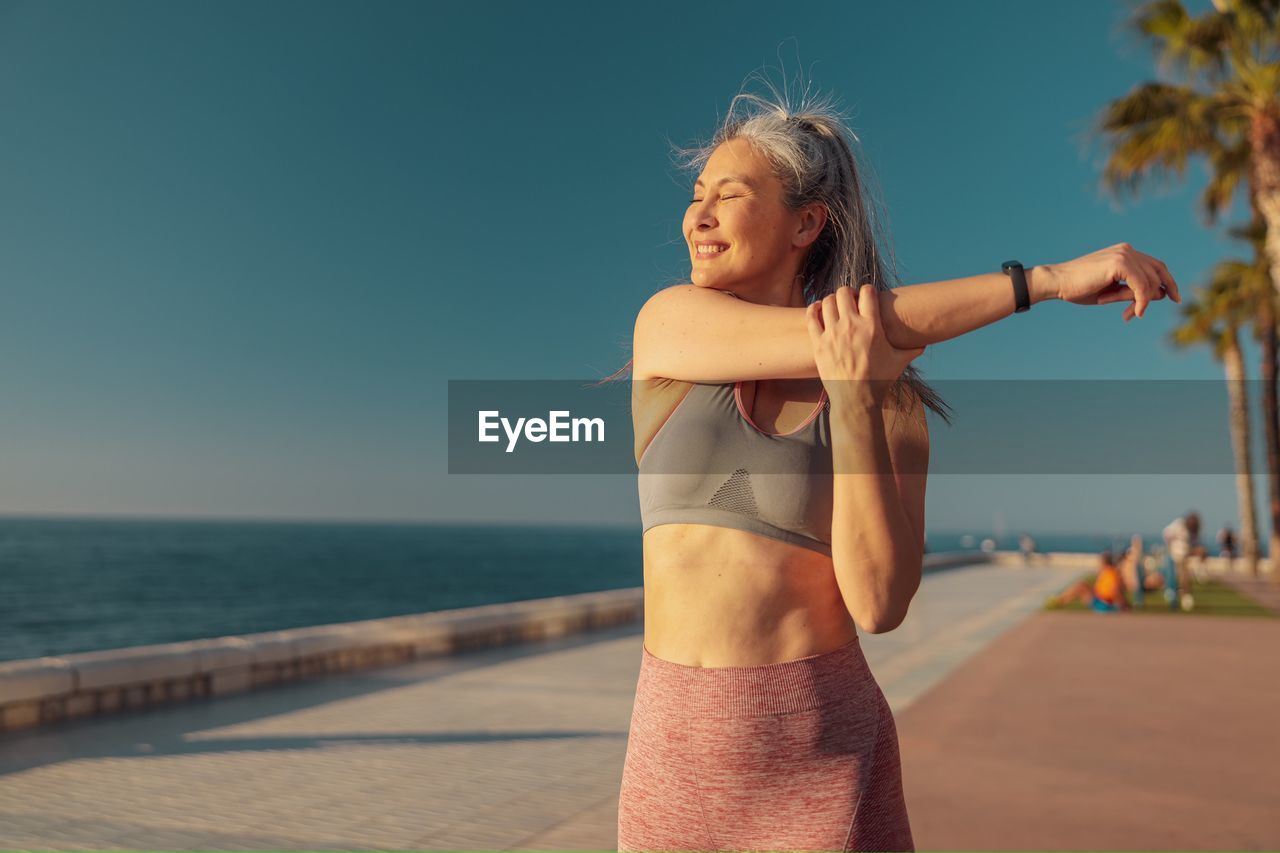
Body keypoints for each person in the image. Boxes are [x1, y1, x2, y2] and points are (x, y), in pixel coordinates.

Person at [613, 79, 1179, 853]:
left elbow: (878, 604)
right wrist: (1040, 282)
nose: (697, 215)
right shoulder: (669, 328)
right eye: (696, 194)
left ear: (806, 221)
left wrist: (851, 400)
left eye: (729, 194)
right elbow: (862, 326)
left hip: (826, 768)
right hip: (671, 773)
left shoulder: (894, 410)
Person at [1046, 551, 1132, 612]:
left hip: (1104, 604)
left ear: (1104, 563)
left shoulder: (1110, 574)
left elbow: (1115, 591)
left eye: (1100, 562)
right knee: (1082, 585)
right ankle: (1059, 601)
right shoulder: (1107, 573)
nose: (1098, 564)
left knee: (1081, 586)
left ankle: (1058, 602)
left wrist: (1124, 607)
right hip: (1101, 600)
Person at [1163, 511, 1205, 611]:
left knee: (1184, 578)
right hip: (1173, 555)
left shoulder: (1194, 531)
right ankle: (1175, 599)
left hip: (1184, 556)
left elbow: (1195, 543)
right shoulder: (1178, 524)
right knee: (1172, 579)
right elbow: (1166, 533)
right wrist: (1171, 547)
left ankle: (1183, 597)